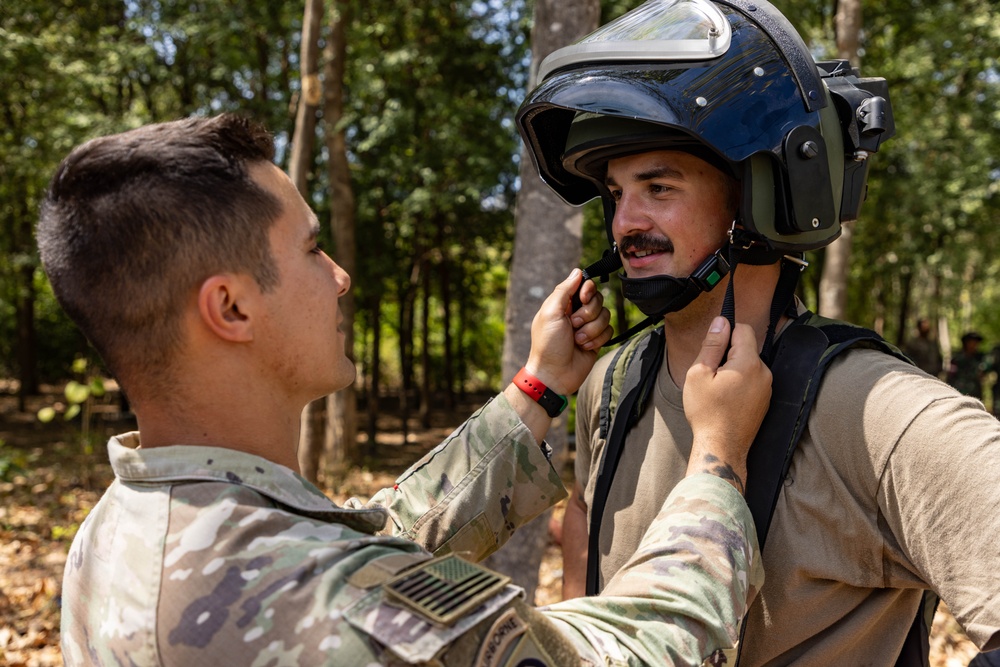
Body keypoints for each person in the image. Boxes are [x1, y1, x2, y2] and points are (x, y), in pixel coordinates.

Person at [39, 113, 776, 666]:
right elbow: (638, 653)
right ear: (231, 307)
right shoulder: (333, 606)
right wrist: (715, 459)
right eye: (310, 248)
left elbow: (371, 541)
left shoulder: (114, 536)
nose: (340, 276)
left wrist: (538, 388)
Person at [517, 0, 1000, 664]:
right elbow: (582, 513)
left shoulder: (875, 409)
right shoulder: (612, 379)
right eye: (615, 191)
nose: (625, 221)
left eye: (659, 188)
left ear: (760, 199)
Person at [947, 331, 986, 398]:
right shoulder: (957, 358)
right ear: (966, 342)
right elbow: (951, 375)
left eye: (976, 342)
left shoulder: (980, 357)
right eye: (972, 342)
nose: (975, 344)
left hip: (975, 392)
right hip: (959, 391)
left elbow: (983, 372)